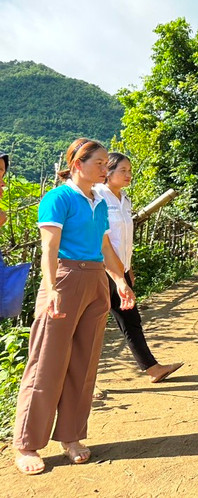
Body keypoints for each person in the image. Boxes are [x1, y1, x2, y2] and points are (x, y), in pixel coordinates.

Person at [12, 138, 136, 475]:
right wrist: (51, 289)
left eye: (107, 163)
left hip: (96, 279)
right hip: (64, 280)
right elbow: (48, 250)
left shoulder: (97, 199)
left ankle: (71, 437)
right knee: (47, 363)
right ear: (78, 164)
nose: (105, 169)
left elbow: (104, 245)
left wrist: (120, 280)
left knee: (84, 363)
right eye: (100, 163)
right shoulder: (58, 198)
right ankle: (26, 444)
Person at [95, 153, 183, 383]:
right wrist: (117, 274)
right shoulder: (98, 197)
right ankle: (80, 382)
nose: (128, 175)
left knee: (131, 321)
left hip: (120, 271)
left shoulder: (124, 199)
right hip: (101, 272)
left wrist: (127, 268)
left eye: (129, 170)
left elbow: (124, 239)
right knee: (91, 326)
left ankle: (153, 368)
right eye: (123, 170)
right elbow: (102, 241)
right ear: (109, 172)